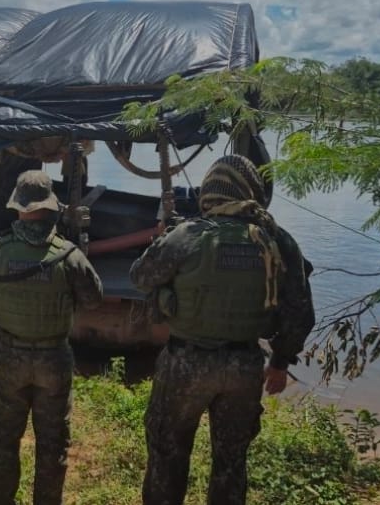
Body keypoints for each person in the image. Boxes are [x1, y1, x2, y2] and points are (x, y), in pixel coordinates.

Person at [130, 154, 315, 505]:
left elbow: (140, 278)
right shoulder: (279, 240)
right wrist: (280, 363)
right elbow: (300, 311)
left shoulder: (186, 235)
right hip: (245, 366)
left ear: (209, 192)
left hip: (185, 364)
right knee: (231, 463)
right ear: (251, 191)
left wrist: (160, 242)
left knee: (167, 455)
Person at [0, 169, 104, 505]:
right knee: (53, 443)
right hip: (54, 359)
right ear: (50, 207)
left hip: (10, 358)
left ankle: (0, 499)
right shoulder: (69, 255)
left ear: (19, 207)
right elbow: (94, 300)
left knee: (4, 439)